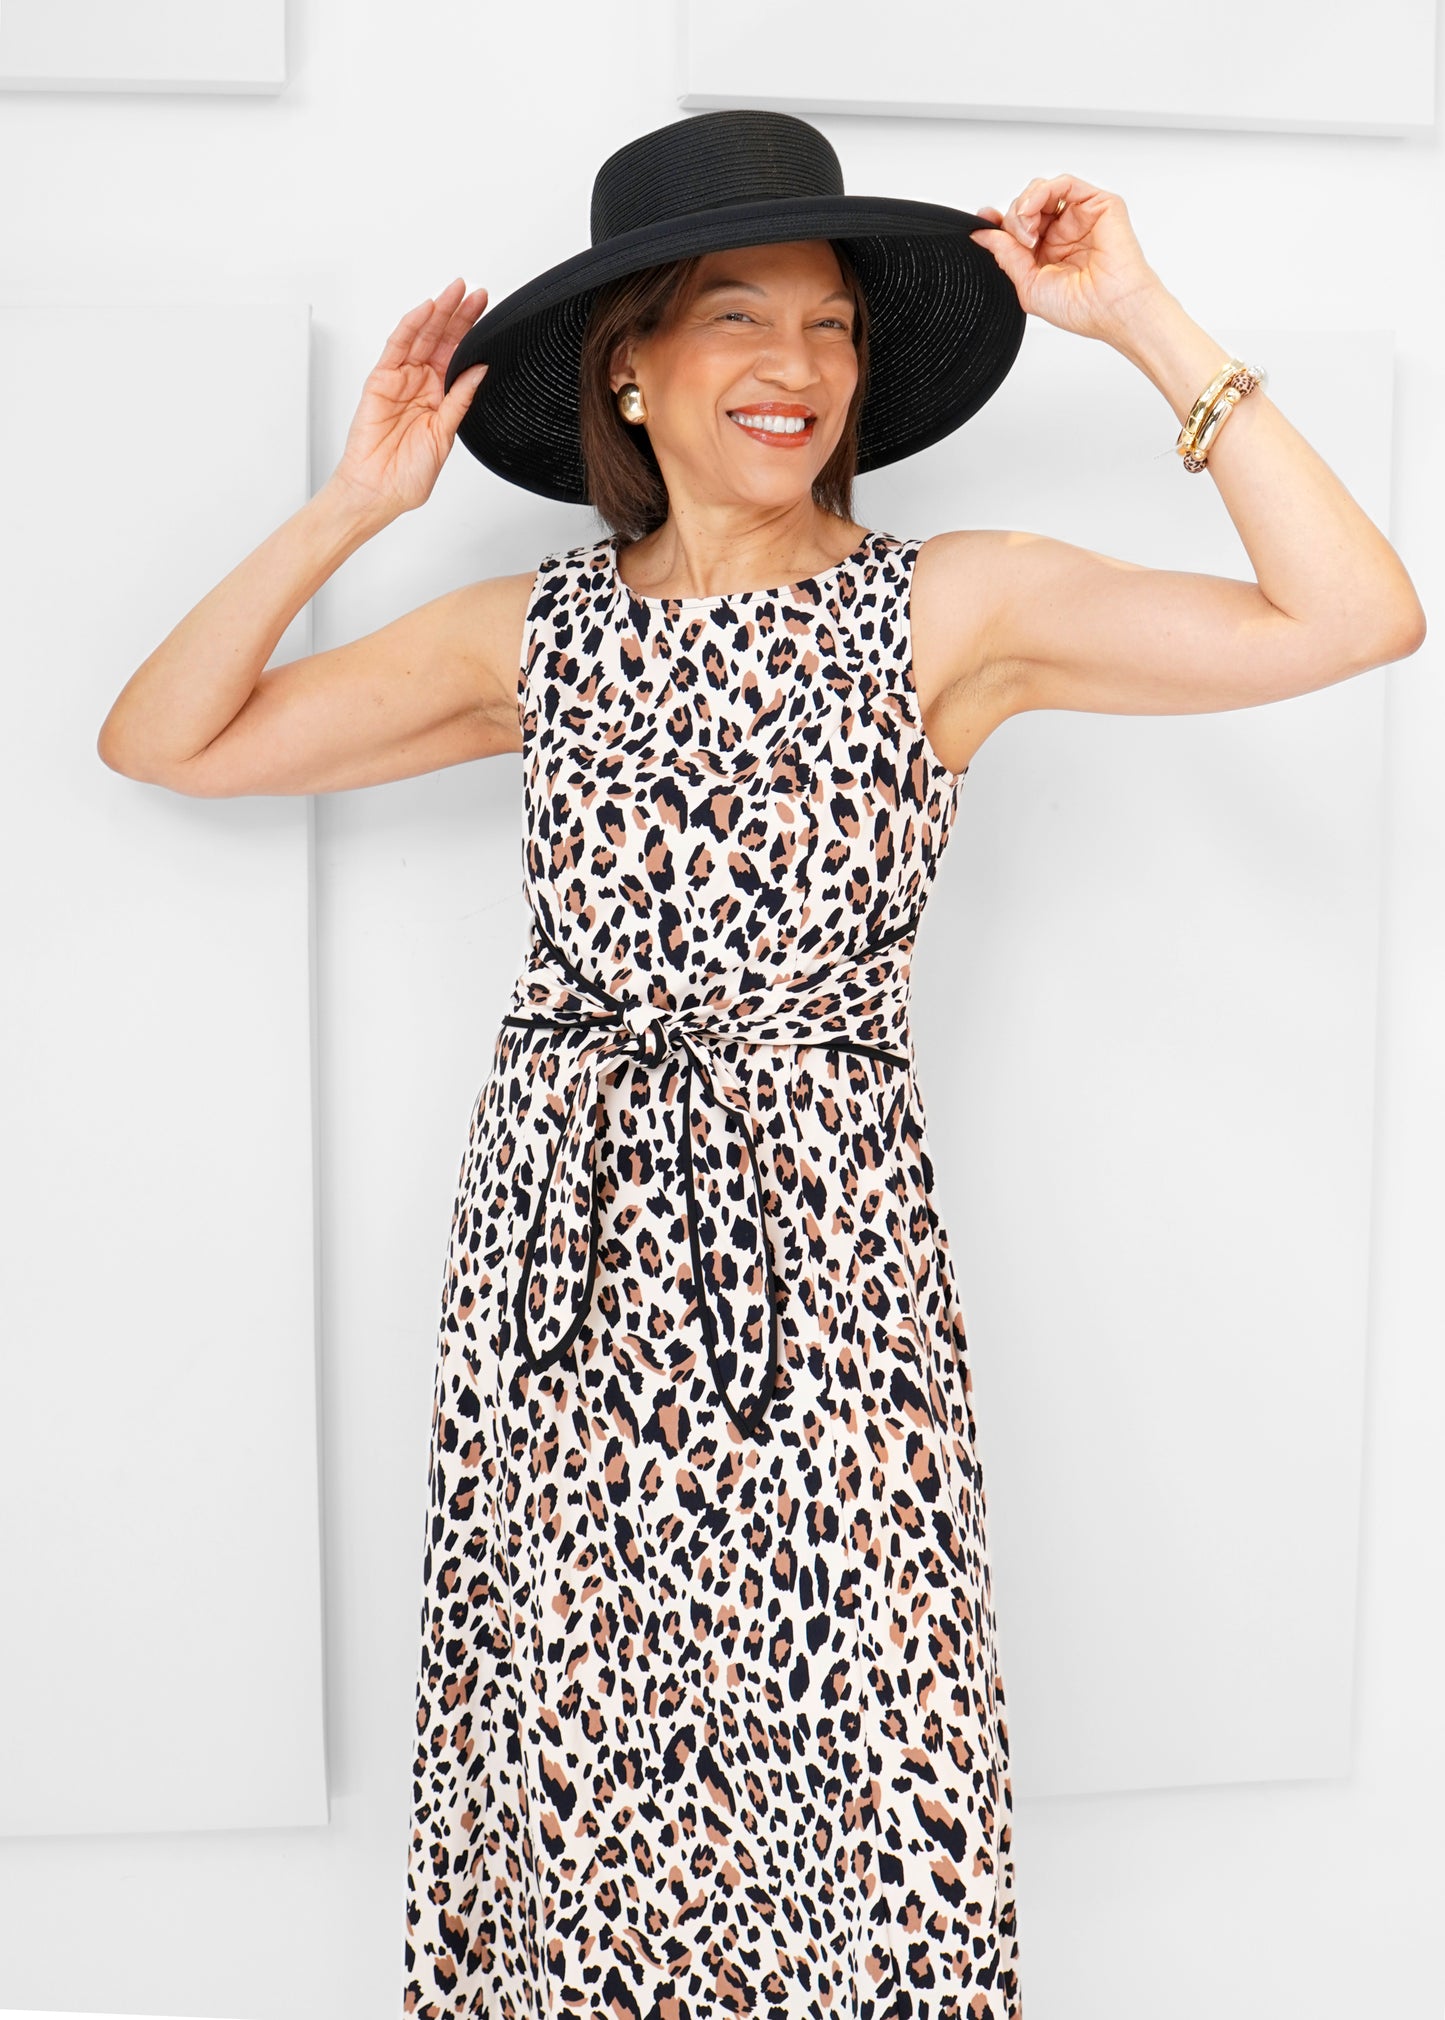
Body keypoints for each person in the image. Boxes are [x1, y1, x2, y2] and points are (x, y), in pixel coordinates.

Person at [96, 109, 1424, 2020]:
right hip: (561, 1292)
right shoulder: (532, 637)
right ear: (628, 365)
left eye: (830, 325)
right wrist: (353, 509)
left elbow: (1356, 616)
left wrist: (1140, 319)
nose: (794, 363)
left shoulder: (948, 608)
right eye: (736, 314)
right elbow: (166, 738)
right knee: (581, 1782)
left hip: (826, 1286)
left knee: (862, 1769)